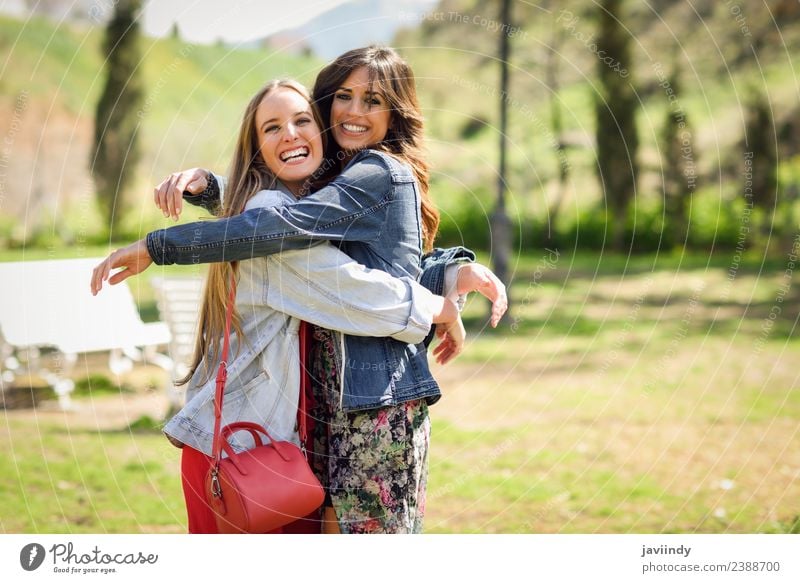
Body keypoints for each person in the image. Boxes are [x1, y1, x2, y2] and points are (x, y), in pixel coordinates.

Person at [91, 46, 507, 533]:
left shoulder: (377, 172)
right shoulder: (336, 177)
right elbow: (288, 219)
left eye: (372, 100)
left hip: (370, 407)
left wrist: (160, 245)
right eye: (344, 97)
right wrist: (211, 189)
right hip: (319, 414)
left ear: (395, 110)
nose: (353, 111)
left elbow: (298, 237)